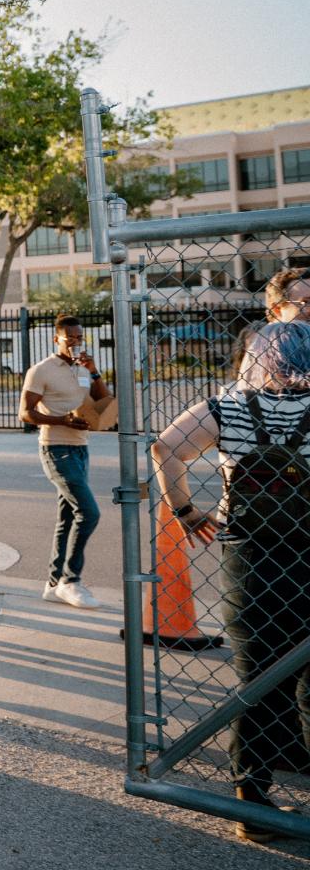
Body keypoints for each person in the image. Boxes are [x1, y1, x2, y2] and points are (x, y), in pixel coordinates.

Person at [149, 320, 310, 843]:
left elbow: (165, 447)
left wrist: (187, 512)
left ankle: (253, 796)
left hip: (250, 552)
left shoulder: (228, 405)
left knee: (257, 677)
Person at [21, 315, 114, 609]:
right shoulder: (41, 371)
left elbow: (104, 403)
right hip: (55, 448)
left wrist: (94, 371)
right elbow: (26, 413)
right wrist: (63, 421)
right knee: (89, 512)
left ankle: (52, 583)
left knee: (68, 517)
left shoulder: (83, 369)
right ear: (56, 339)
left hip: (81, 449)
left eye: (79, 337)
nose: (75, 342)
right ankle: (70, 581)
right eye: (69, 337)